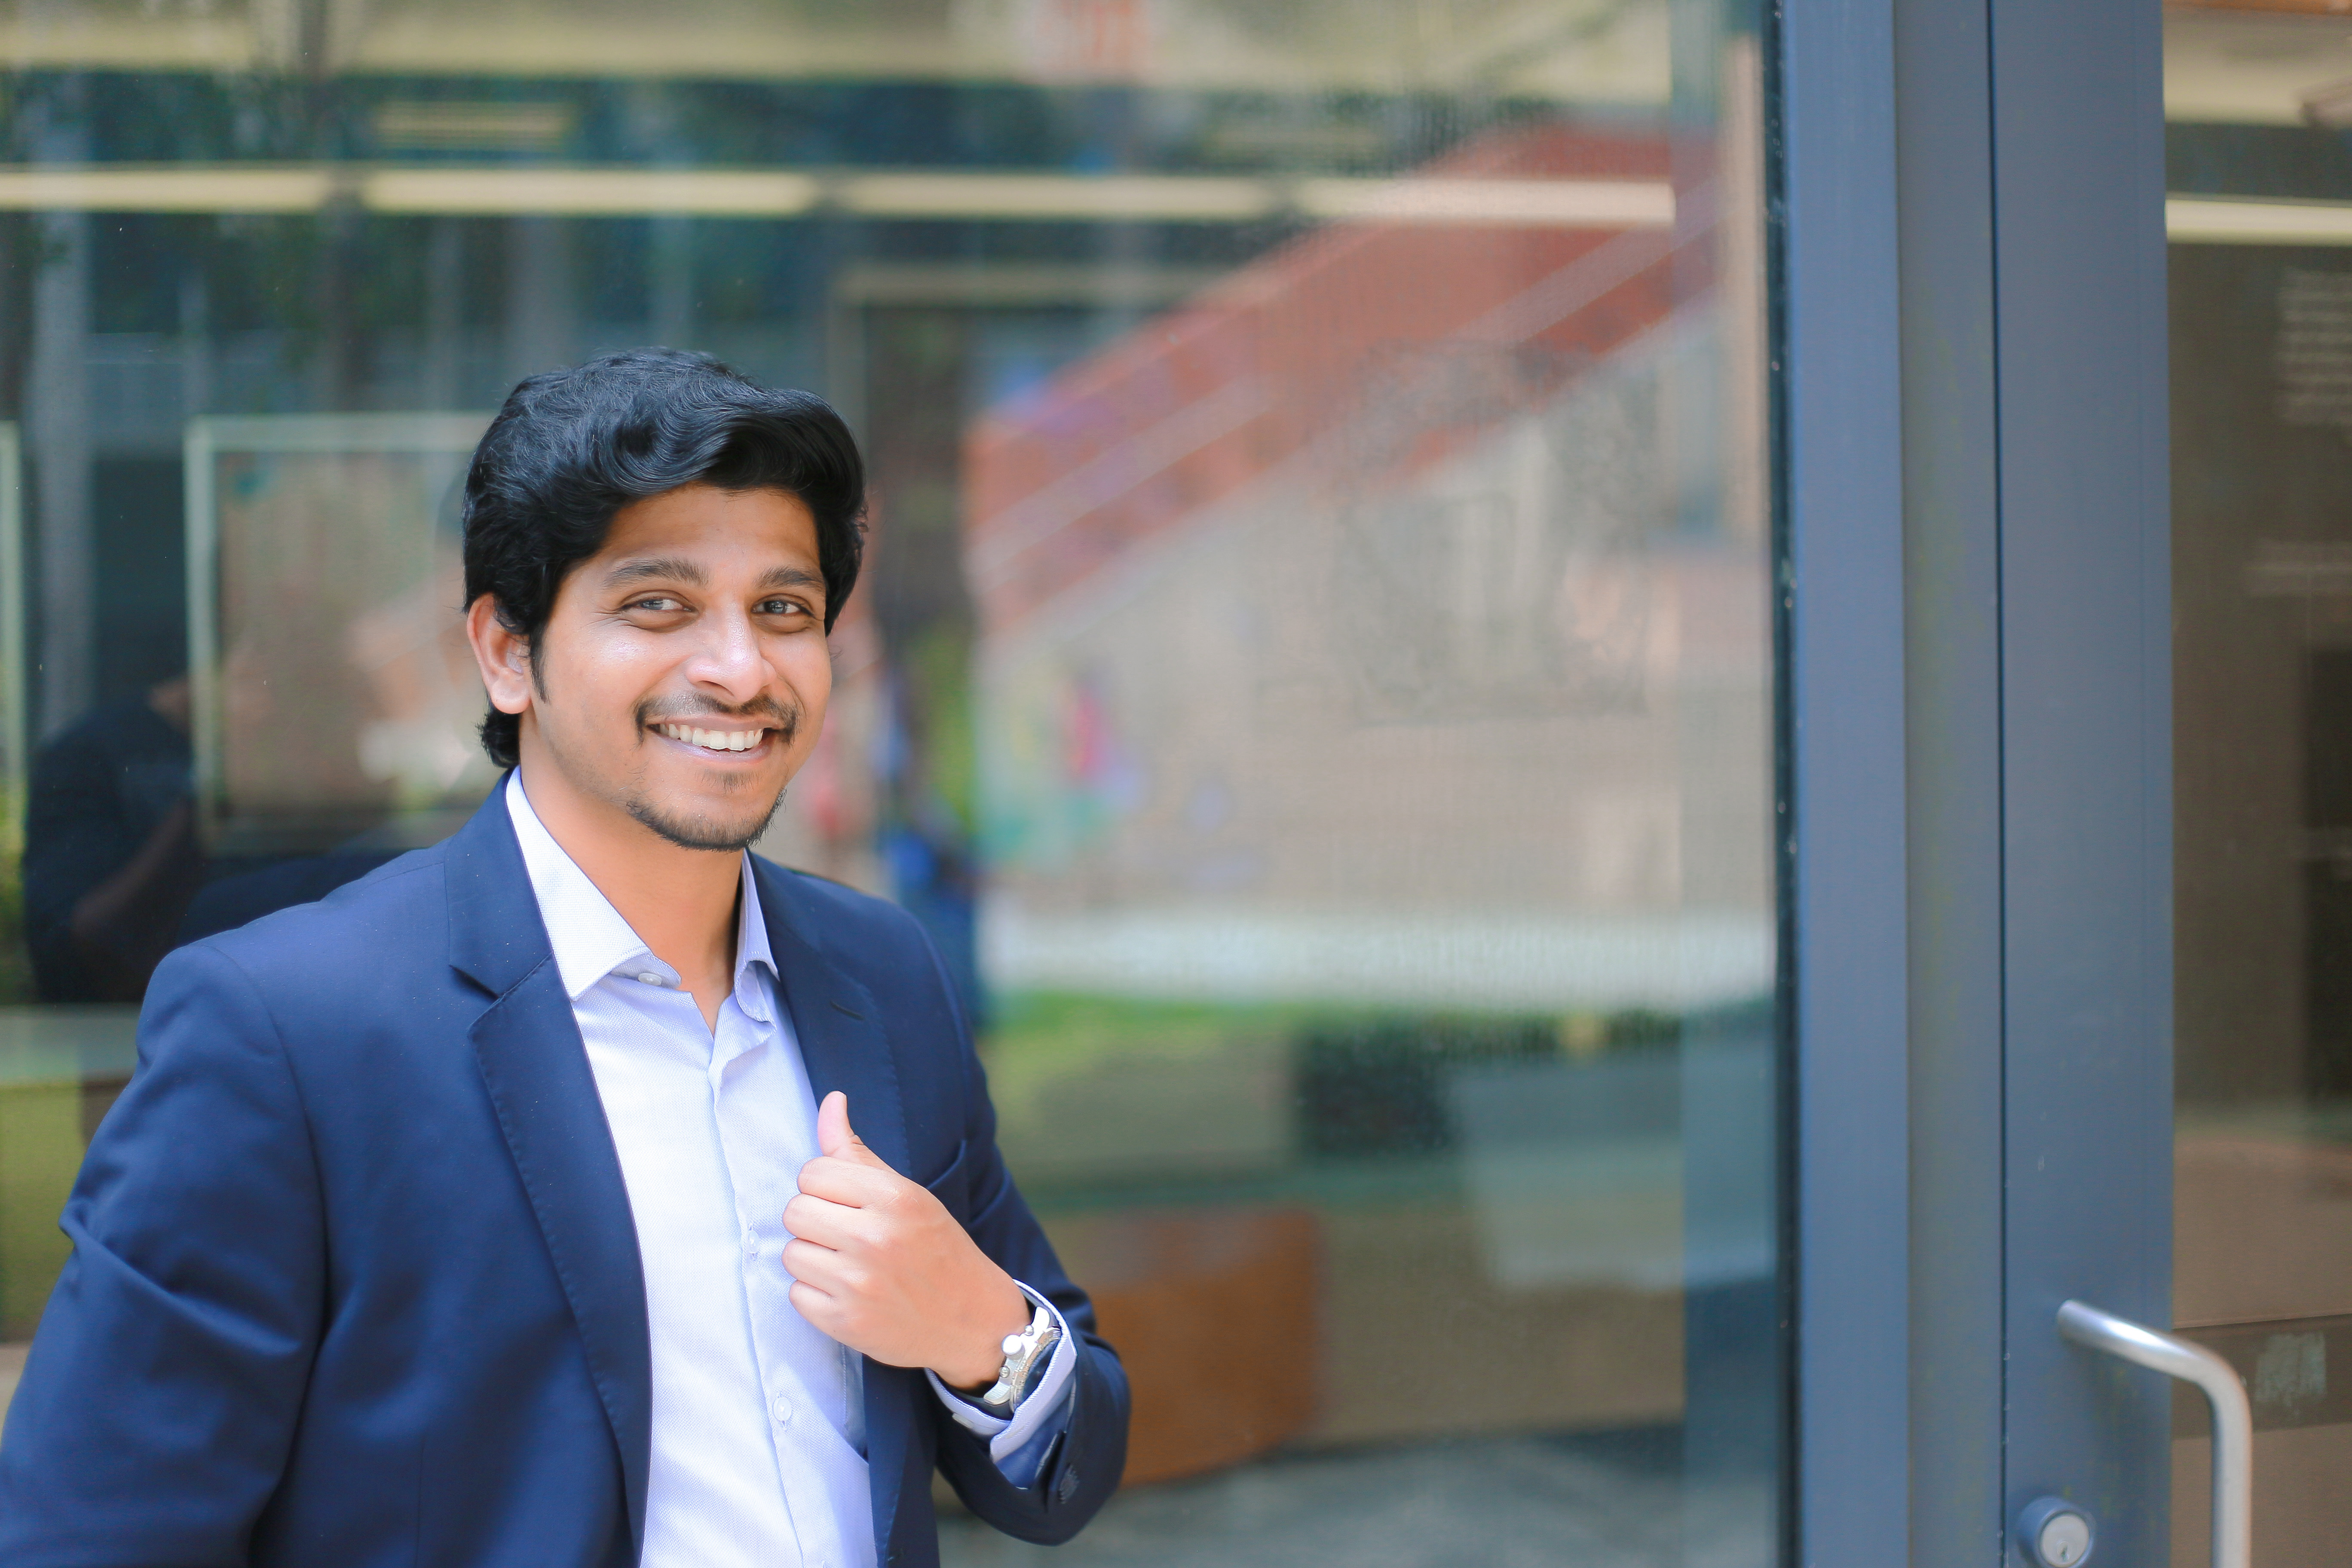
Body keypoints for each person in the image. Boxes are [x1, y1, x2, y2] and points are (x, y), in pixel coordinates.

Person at [0, 349, 1128, 1567]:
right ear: (506, 652)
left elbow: (1067, 1468)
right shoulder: (287, 1028)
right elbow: (91, 1530)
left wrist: (978, 1331)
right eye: (659, 606)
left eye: (783, 610)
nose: (740, 669)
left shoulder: (880, 974)